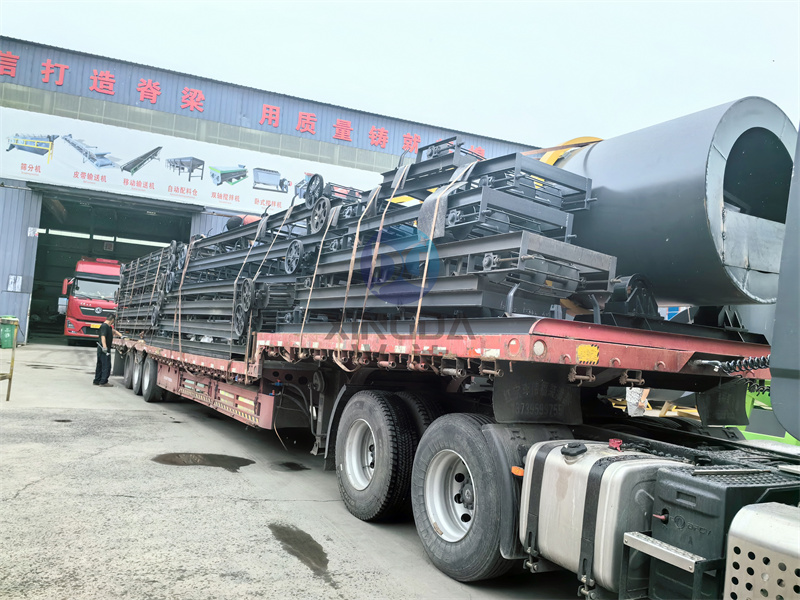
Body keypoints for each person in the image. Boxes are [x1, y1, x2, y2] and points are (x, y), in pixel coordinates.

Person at [93, 314, 119, 387]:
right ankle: (103, 382)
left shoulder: (107, 327)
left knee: (100, 365)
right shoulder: (104, 326)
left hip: (101, 349)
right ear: (112, 320)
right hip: (104, 349)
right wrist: (105, 347)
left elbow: (113, 331)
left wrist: (120, 335)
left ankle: (97, 380)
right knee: (106, 365)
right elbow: (103, 337)